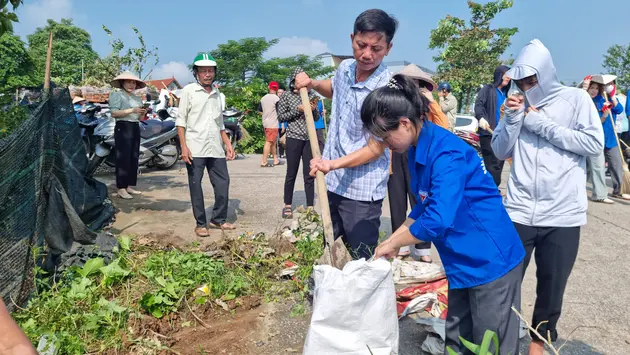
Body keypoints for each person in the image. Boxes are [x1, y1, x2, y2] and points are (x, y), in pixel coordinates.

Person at [368, 74, 525, 355]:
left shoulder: (447, 153)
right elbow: (423, 206)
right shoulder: (417, 148)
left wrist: (394, 243)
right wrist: (394, 239)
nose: (382, 143)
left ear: (404, 123)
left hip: (490, 261)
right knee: (458, 339)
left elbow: (439, 217)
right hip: (461, 262)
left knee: (491, 345)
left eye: (384, 135)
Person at [491, 39, 604, 355]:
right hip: (520, 210)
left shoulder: (576, 99)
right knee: (504, 282)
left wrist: (537, 121)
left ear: (547, 74)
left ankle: (539, 345)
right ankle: (502, 341)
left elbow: (592, 143)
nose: (527, 86)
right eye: (522, 81)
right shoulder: (516, 104)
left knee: (552, 288)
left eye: (532, 80)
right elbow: (500, 150)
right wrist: (513, 118)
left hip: (563, 214)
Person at [296, 8, 399, 260]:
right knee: (331, 251)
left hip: (361, 192)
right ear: (352, 38)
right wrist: (312, 84)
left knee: (360, 261)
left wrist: (331, 164)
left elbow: (376, 148)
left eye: (376, 48)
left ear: (388, 48)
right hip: (331, 182)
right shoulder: (345, 68)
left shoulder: (386, 90)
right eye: (361, 45)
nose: (366, 54)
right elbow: (333, 88)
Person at [389, 63, 449, 262]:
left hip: (421, 154)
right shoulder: (393, 106)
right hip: (396, 154)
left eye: (417, 84)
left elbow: (444, 126)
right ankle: (400, 244)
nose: (412, 87)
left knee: (420, 199)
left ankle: (423, 248)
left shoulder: (426, 108)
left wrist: (431, 102)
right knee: (397, 201)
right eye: (409, 84)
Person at [176, 53, 236, 237]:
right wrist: (184, 147)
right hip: (195, 146)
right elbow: (181, 121)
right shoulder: (188, 91)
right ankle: (201, 223)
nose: (207, 74)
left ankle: (218, 219)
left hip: (215, 147)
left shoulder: (218, 94)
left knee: (223, 183)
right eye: (203, 71)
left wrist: (228, 144)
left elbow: (219, 123)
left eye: (210, 71)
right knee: (196, 185)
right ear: (196, 73)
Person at [277, 68, 320, 219]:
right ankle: (287, 205)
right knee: (291, 172)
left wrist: (312, 109)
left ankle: (310, 207)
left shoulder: (312, 95)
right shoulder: (286, 96)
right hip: (293, 137)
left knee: (309, 173)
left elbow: (315, 118)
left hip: (309, 138)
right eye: (298, 80)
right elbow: (281, 116)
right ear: (293, 81)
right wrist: (298, 109)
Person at [584, 78, 630, 200]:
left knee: (617, 164)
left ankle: (619, 189)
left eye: (597, 88)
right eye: (592, 88)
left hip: (611, 137)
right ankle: (582, 188)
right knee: (590, 166)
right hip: (596, 137)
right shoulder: (591, 101)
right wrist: (604, 114)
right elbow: (594, 121)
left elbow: (619, 110)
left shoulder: (607, 98)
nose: (594, 90)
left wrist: (613, 96)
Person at [109, 71, 147, 200]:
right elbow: (114, 113)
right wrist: (132, 110)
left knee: (133, 157)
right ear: (122, 83)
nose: (131, 85)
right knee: (123, 157)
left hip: (135, 126)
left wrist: (142, 112)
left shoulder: (137, 98)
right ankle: (121, 187)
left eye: (134, 82)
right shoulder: (116, 95)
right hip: (123, 127)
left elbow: (140, 117)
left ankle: (128, 185)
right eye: (128, 82)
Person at [475, 65, 511, 187]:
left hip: (502, 134)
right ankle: (491, 189)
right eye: (506, 74)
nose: (508, 77)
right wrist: (481, 118)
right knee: (492, 164)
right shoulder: (488, 89)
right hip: (488, 133)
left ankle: (493, 188)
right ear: (499, 75)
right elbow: (479, 105)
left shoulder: (506, 94)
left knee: (499, 163)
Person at [258, 82, 281, 167]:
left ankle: (275, 159)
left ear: (269, 87)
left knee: (273, 142)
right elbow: (280, 112)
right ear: (277, 89)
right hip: (273, 123)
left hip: (265, 122)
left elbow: (260, 111)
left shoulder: (263, 98)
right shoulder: (277, 99)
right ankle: (264, 161)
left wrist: (266, 114)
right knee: (269, 142)